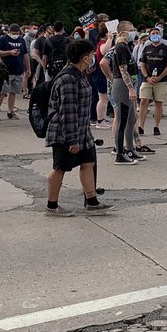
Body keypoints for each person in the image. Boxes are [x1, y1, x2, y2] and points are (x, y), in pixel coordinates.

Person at [44, 39, 110, 216]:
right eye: (91, 54)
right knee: (60, 168)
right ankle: (52, 206)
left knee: (88, 162)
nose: (93, 57)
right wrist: (72, 140)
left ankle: (92, 202)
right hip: (65, 132)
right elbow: (68, 111)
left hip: (82, 130)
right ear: (84, 57)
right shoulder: (68, 79)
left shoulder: (80, 73)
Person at [103, 23, 140, 165]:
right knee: (122, 120)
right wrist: (130, 88)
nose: (133, 33)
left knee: (131, 120)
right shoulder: (120, 47)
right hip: (122, 86)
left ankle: (130, 149)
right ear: (123, 32)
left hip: (126, 85)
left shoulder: (126, 46)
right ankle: (119, 153)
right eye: (131, 31)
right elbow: (123, 70)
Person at [138, 27, 167, 135]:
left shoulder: (165, 48)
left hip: (161, 80)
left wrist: (160, 77)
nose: (155, 35)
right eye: (153, 33)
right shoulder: (147, 48)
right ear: (149, 36)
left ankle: (156, 126)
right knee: (144, 101)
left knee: (159, 102)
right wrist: (147, 77)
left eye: (157, 33)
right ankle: (141, 126)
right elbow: (142, 64)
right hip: (147, 79)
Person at [0, 23, 28, 119]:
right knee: (1, 92)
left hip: (18, 70)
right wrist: (10, 52)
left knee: (13, 92)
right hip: (6, 70)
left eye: (17, 33)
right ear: (9, 32)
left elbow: (25, 55)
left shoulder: (21, 40)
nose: (15, 34)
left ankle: (10, 111)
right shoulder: (3, 39)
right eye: (13, 33)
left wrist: (28, 68)